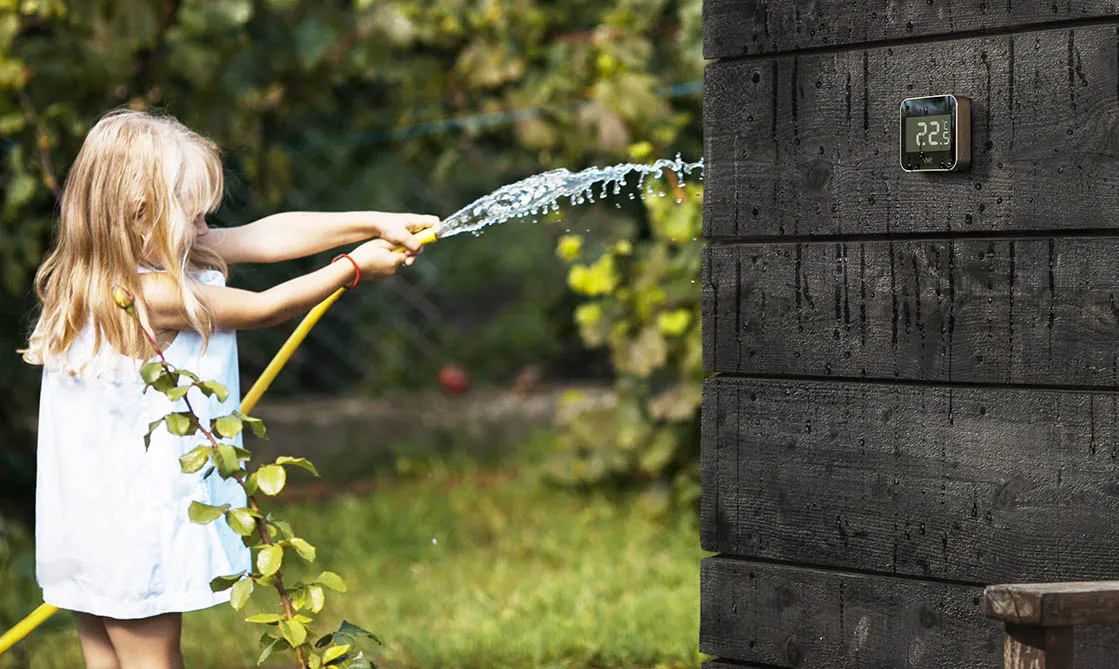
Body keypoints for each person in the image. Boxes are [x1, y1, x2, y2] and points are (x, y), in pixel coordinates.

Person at [20, 108, 438, 669]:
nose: (204, 231)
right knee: (152, 658)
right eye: (193, 217)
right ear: (141, 216)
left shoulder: (93, 277)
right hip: (133, 530)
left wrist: (375, 220)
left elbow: (267, 234)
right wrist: (353, 267)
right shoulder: (153, 296)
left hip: (86, 526)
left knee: (105, 655)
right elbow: (264, 308)